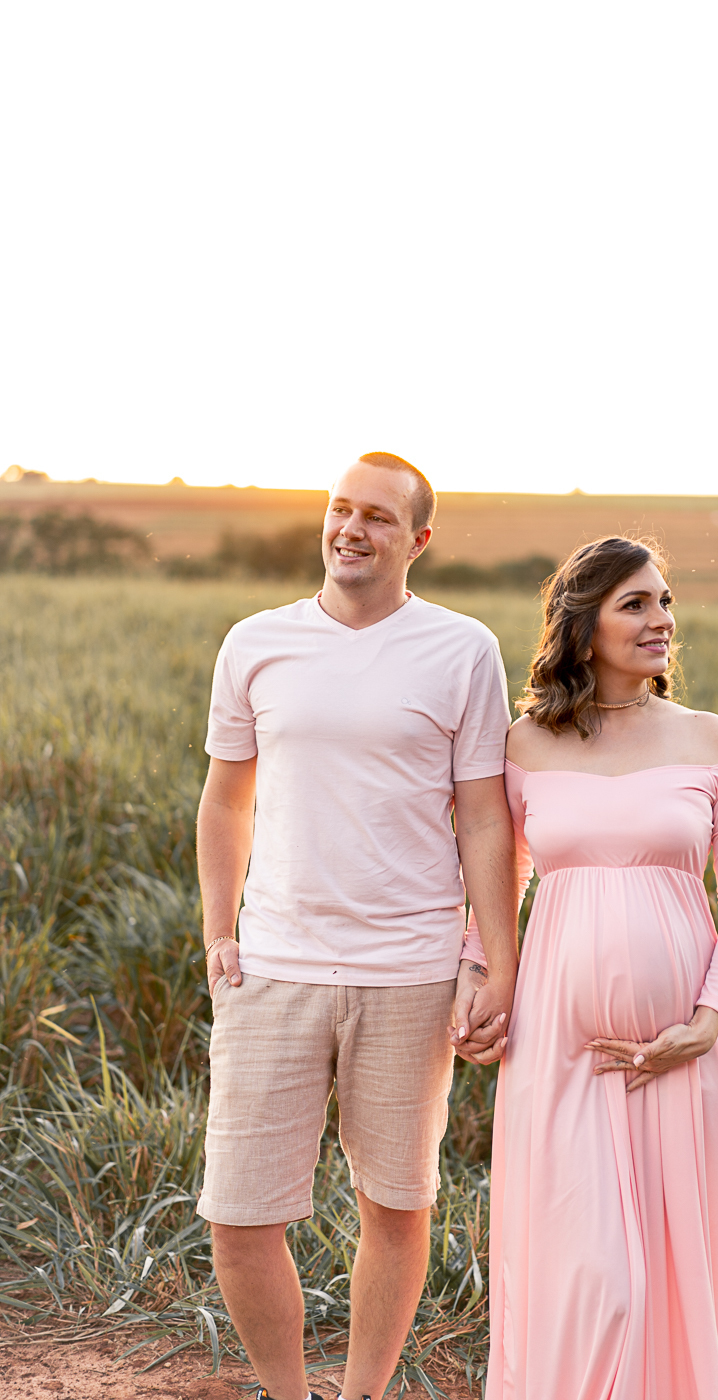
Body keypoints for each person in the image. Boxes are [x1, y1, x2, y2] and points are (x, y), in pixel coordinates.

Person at [196, 452, 518, 1400]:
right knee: (238, 1220)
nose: (351, 528)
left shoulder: (462, 650)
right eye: (341, 509)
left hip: (410, 972)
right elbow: (224, 800)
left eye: (377, 516)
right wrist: (219, 930)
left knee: (396, 1207)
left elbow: (488, 819)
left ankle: (363, 1394)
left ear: (417, 540)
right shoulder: (255, 642)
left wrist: (490, 961)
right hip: (273, 968)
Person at [462, 535, 718, 1400]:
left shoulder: (709, 738)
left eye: (664, 601)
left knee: (673, 1275)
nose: (660, 619)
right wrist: (474, 974)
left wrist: (705, 1023)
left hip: (683, 1049)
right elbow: (502, 876)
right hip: (558, 1048)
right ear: (582, 622)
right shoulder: (527, 743)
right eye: (635, 603)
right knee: (597, 1282)